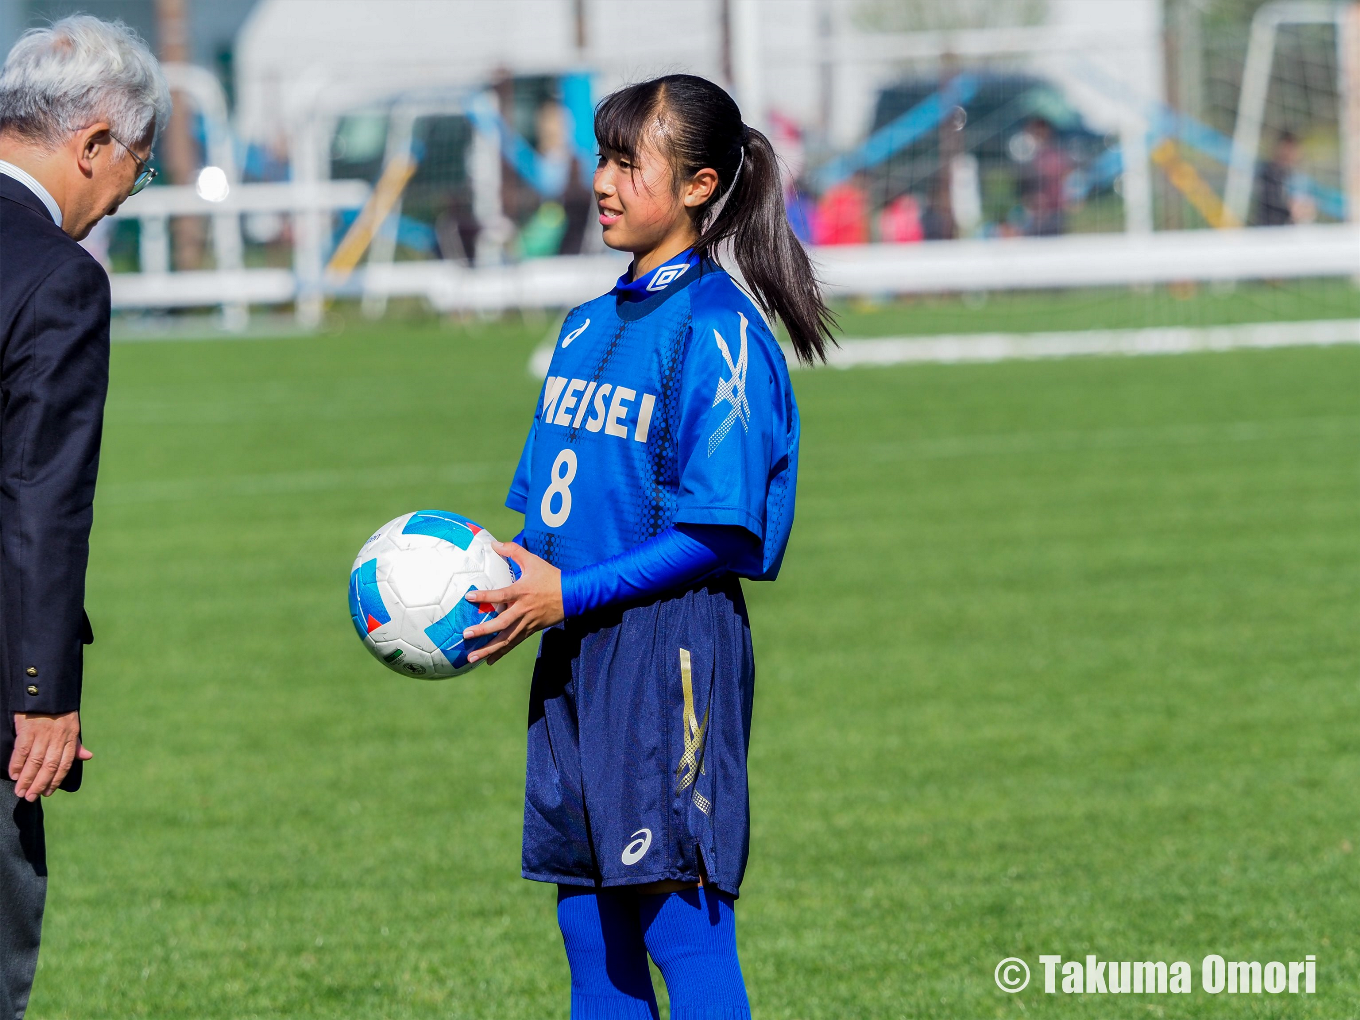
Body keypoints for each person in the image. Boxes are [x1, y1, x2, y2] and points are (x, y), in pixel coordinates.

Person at [459, 74, 833, 1019]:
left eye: (631, 163)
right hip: (575, 652)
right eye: (601, 158)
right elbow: (552, 516)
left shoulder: (721, 332)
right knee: (590, 932)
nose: (603, 182)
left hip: (668, 652)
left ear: (701, 185)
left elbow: (717, 532)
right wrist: (489, 567)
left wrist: (567, 594)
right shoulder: (585, 327)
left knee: (679, 924)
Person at [0, 17, 168, 1018]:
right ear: (93, 144)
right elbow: (41, 499)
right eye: (134, 173)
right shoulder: (56, 280)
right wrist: (41, 691)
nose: (118, 199)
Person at [1254, 130, 1300, 227]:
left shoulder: (1293, 173)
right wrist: (1291, 206)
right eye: (1288, 148)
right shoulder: (1268, 172)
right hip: (1270, 228)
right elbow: (1274, 200)